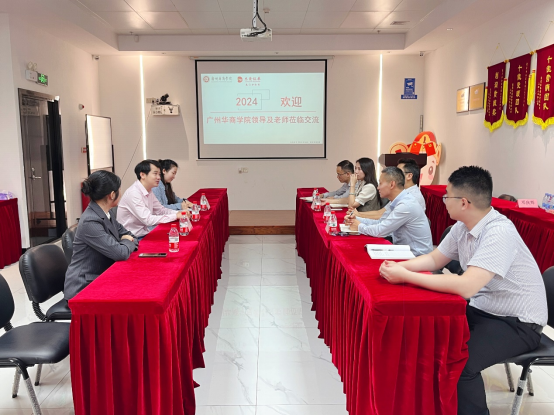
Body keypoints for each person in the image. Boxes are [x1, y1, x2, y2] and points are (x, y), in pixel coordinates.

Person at [379, 166, 548, 416]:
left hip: (518, 323)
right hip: (483, 309)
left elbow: (467, 286)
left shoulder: (498, 232)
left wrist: (405, 276)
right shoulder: (462, 226)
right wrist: (399, 266)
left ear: (464, 202)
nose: (444, 201)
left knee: (460, 364)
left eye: (447, 196)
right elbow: (435, 259)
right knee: (431, 334)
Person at [64, 171, 138, 300]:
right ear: (112, 195)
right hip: (84, 286)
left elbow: (130, 236)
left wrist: (126, 241)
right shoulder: (90, 220)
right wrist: (126, 241)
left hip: (102, 276)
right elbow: (120, 253)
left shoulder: (105, 213)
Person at [345, 167, 433, 257]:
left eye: (380, 183)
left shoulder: (405, 205)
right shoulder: (397, 200)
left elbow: (380, 231)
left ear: (392, 184)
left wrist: (359, 226)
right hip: (402, 250)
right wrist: (356, 219)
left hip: (416, 256)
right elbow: (381, 222)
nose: (378, 187)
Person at [117, 160, 185, 239]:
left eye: (159, 174)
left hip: (146, 232)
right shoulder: (134, 193)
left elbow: (160, 210)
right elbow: (148, 220)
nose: (159, 177)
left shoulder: (149, 190)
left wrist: (180, 213)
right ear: (142, 175)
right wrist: (175, 216)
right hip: (133, 238)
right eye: (155, 174)